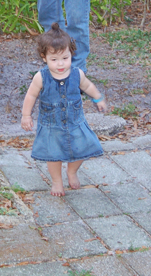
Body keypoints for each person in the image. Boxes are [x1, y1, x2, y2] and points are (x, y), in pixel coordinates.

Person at [21, 23, 108, 196]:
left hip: (75, 121)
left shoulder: (77, 74)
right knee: (53, 155)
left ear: (71, 55)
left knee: (85, 145)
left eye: (65, 58)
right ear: (44, 57)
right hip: (51, 124)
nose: (60, 64)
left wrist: (98, 98)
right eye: (54, 60)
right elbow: (31, 96)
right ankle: (56, 181)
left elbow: (88, 86)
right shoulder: (41, 77)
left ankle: (72, 171)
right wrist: (26, 115)